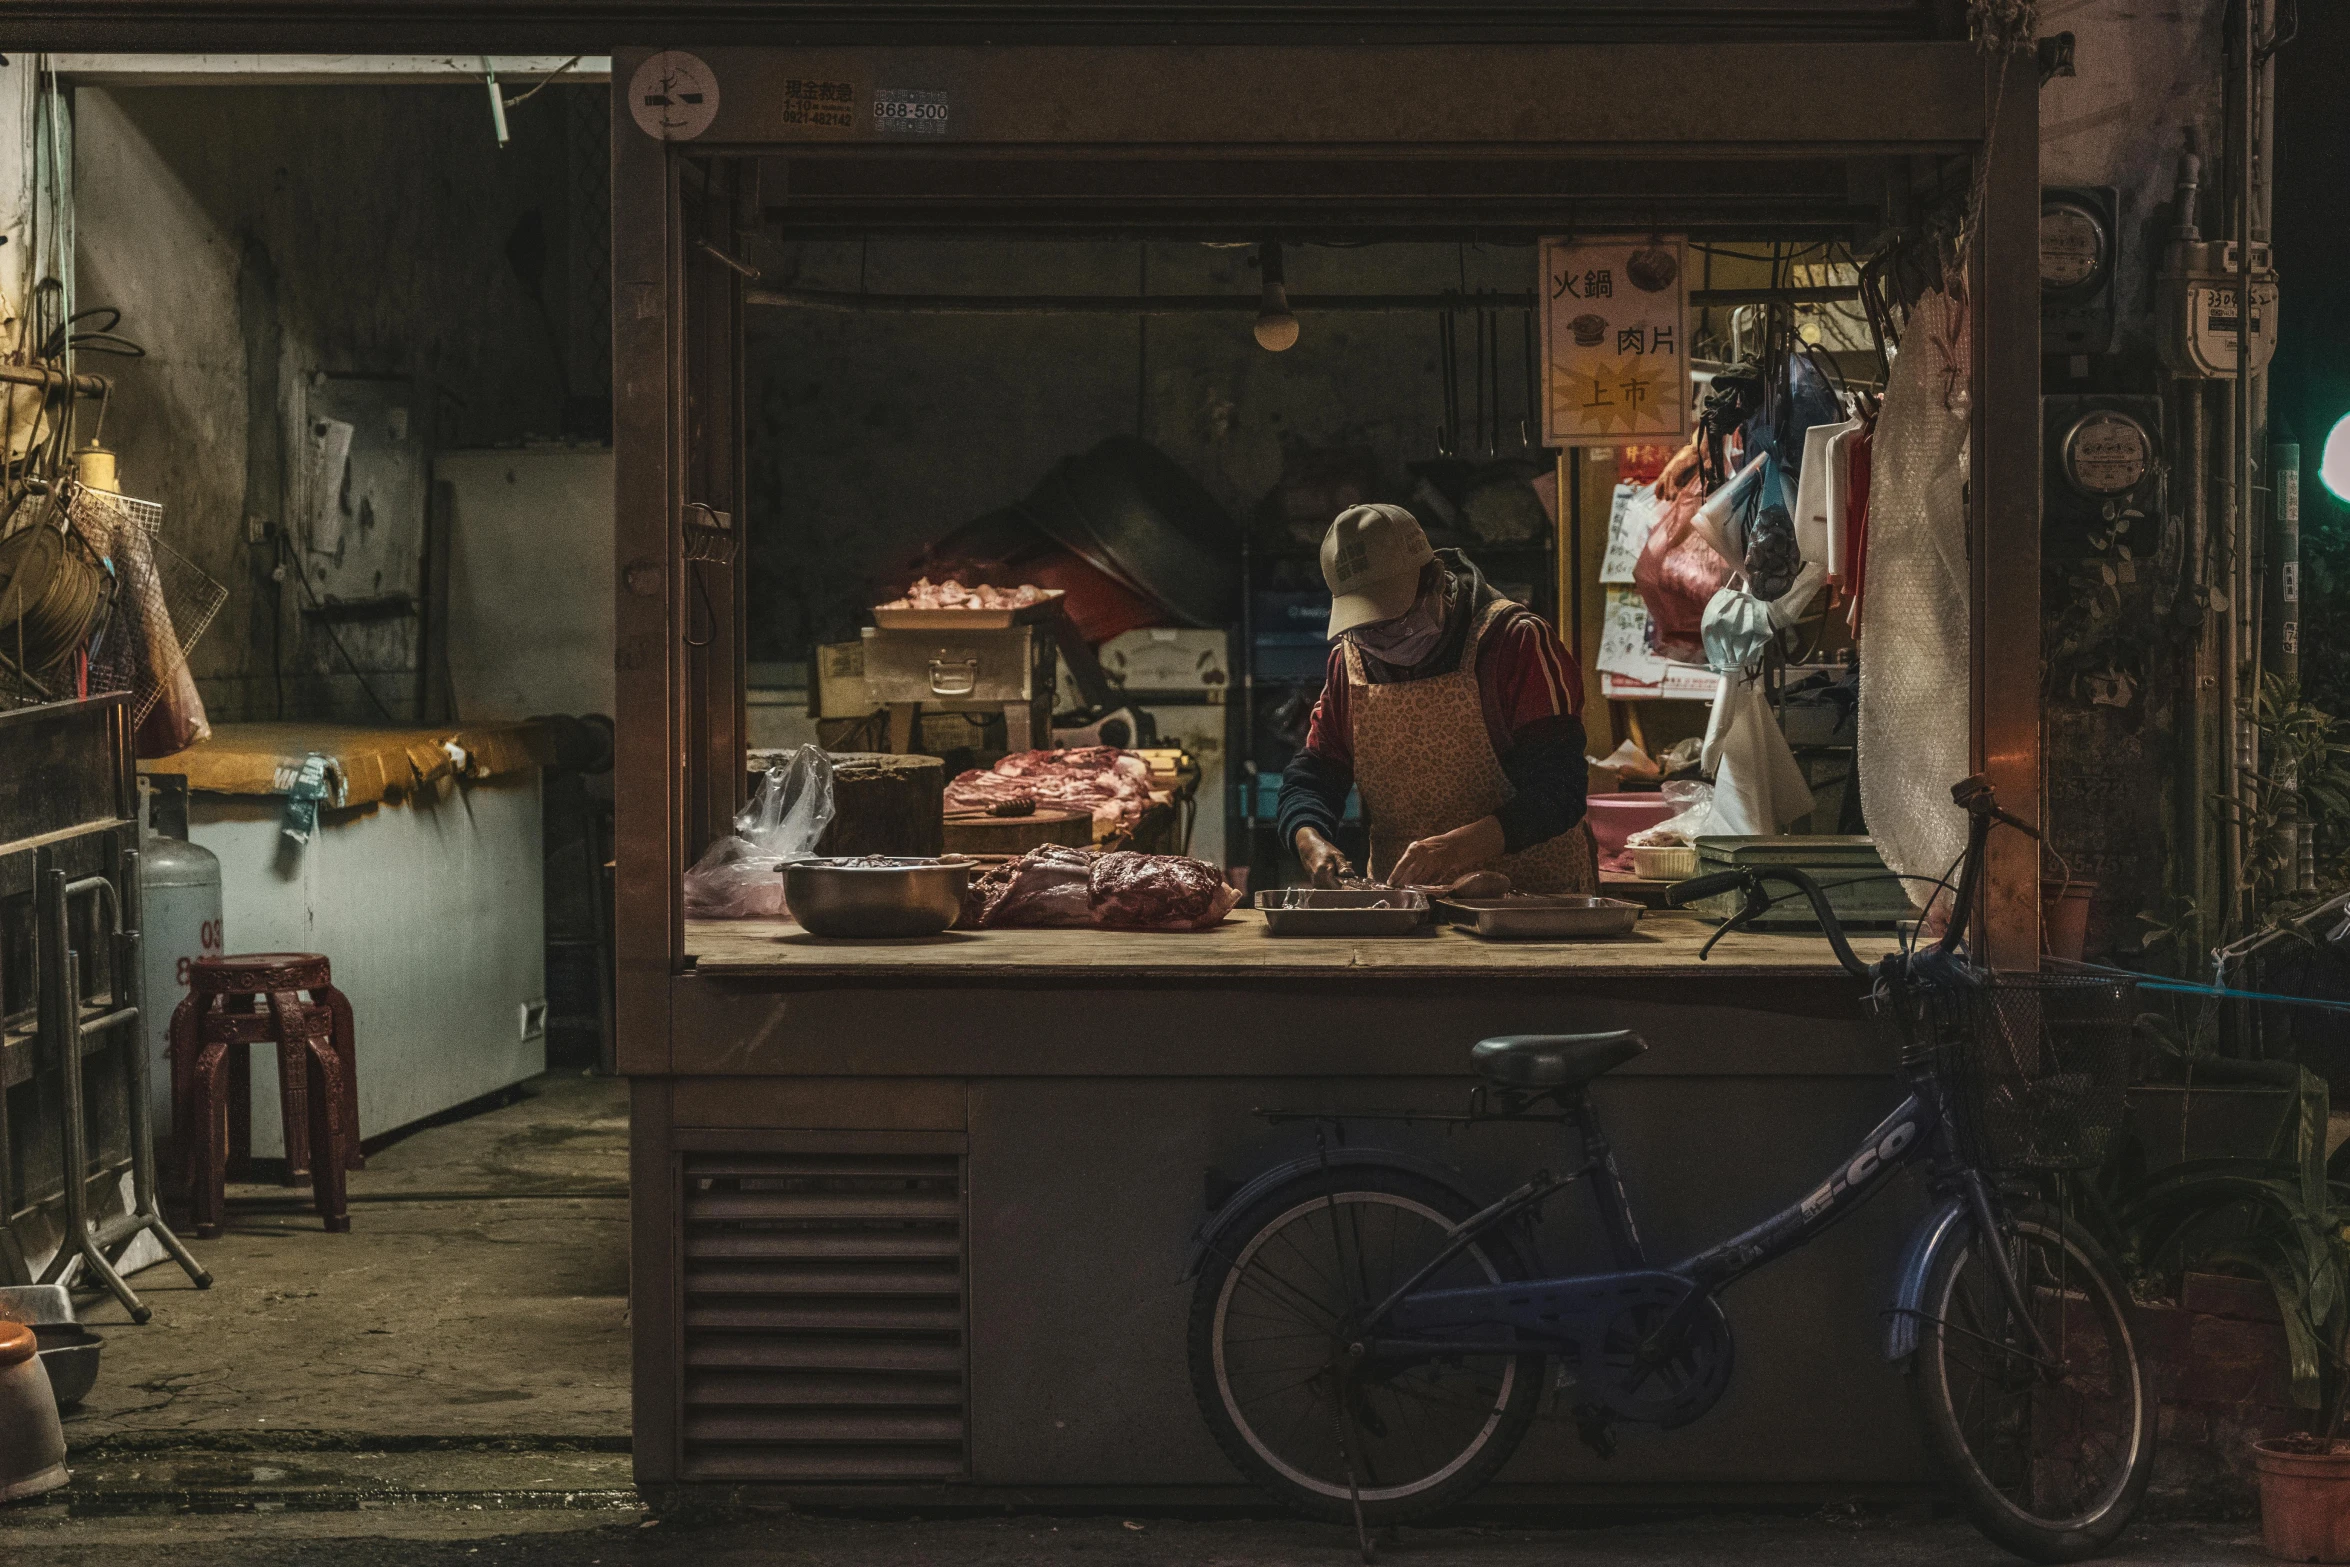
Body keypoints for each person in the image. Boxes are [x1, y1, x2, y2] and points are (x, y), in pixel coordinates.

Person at [1277, 503, 1596, 892]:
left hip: (1533, 905)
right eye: (1366, 627)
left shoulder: (1515, 643)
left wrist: (1451, 849)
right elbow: (1315, 777)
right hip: (1405, 912)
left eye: (1394, 619)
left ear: (1433, 580)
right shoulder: (1348, 664)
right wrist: (1310, 842)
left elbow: (1559, 790)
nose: (1381, 639)